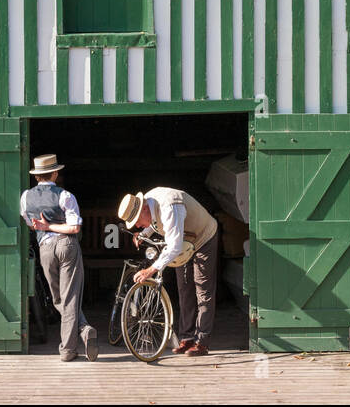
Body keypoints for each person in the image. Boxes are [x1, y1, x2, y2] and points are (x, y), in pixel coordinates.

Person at [118, 187, 219, 356]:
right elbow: (154, 222)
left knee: (203, 290)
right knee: (184, 288)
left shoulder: (170, 207)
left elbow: (173, 246)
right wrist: (143, 233)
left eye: (136, 220)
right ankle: (187, 339)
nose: (136, 224)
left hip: (203, 237)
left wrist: (151, 269)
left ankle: (202, 342)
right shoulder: (148, 205)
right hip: (184, 239)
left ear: (143, 207)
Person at [21, 154, 98, 362]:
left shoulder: (26, 197)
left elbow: (31, 224)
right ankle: (79, 335)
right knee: (69, 298)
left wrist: (45, 227)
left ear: (37, 176)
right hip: (66, 244)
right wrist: (52, 226)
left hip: (45, 247)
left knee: (58, 298)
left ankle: (70, 345)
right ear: (54, 173)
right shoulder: (65, 196)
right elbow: (74, 227)